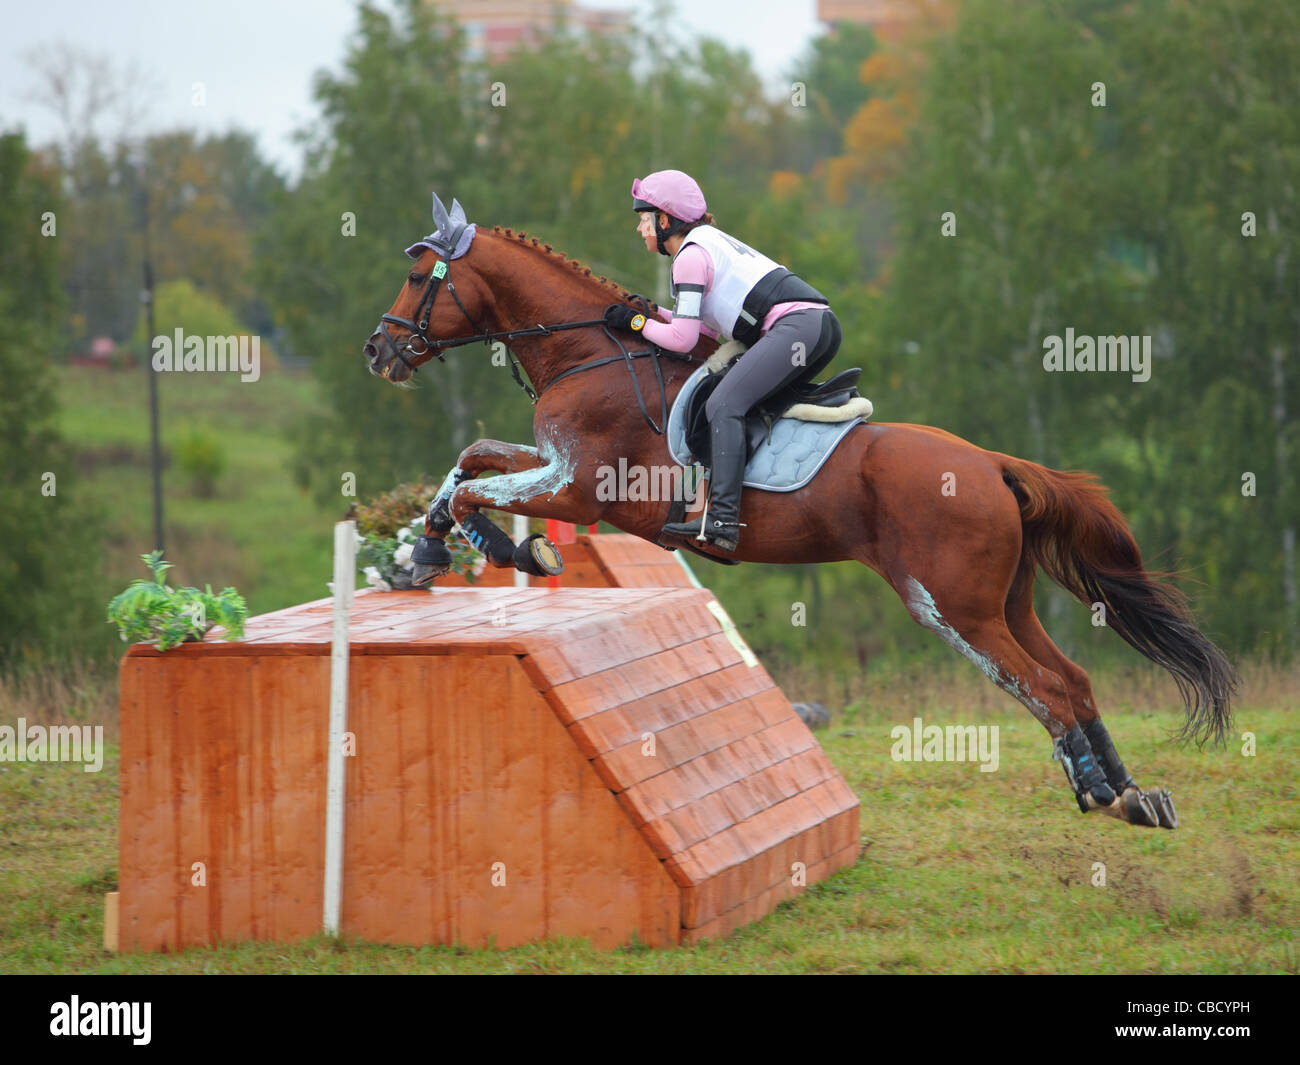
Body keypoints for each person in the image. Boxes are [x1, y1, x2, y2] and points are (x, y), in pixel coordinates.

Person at [603, 169, 843, 552]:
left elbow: (682, 341)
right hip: (815, 327)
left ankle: (724, 519)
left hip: (797, 328)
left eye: (643, 219)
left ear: (664, 220)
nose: (640, 228)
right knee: (726, 397)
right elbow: (706, 333)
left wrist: (636, 322)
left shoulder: (689, 258)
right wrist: (655, 313)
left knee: (723, 404)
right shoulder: (705, 244)